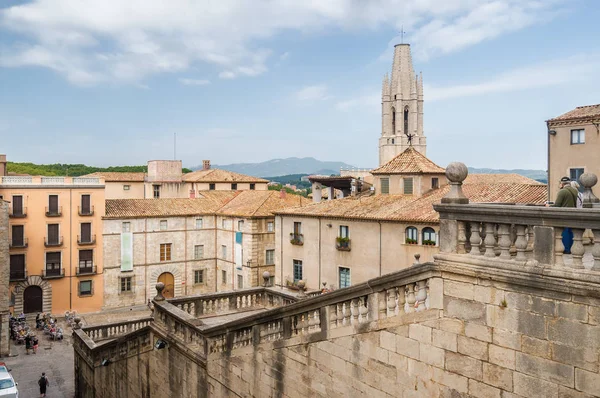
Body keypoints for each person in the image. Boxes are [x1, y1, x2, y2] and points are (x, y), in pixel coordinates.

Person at [551, 176, 579, 253]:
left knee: (565, 232)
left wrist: (548, 206)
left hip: (564, 216)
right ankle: (570, 248)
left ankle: (566, 249)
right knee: (571, 232)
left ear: (562, 183)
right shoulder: (575, 191)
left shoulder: (562, 191)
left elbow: (557, 205)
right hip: (573, 214)